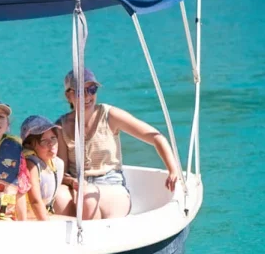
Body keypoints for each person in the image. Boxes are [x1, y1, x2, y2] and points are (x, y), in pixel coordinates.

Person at [56, 69, 179, 220]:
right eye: (81, 91)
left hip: (110, 185)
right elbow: (62, 171)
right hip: (78, 185)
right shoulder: (61, 127)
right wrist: (73, 182)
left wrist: (173, 169)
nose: (88, 96)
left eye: (92, 89)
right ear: (68, 96)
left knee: (87, 197)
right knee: (59, 198)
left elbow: (156, 138)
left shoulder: (109, 115)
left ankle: (92, 239)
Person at [20, 115, 74, 220]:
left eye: (53, 138)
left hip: (45, 213)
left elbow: (49, 176)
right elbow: (35, 201)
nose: (51, 144)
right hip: (31, 217)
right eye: (44, 141)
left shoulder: (52, 162)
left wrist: (70, 181)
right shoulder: (31, 164)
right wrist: (47, 226)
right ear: (29, 145)